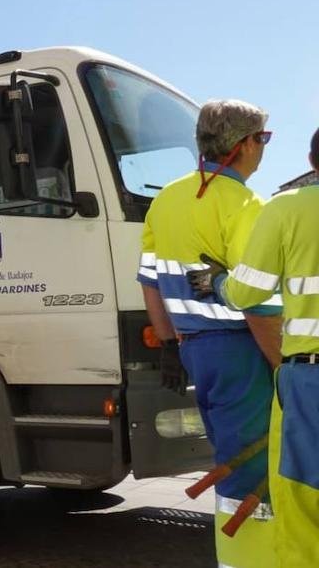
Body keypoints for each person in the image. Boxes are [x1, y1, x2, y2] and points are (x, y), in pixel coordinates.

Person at [137, 99, 277, 567]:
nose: (264, 148)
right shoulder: (245, 205)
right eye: (263, 138)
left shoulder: (166, 199)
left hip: (195, 350)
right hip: (241, 350)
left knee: (229, 457)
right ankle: (249, 557)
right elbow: (255, 301)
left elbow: (150, 281)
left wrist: (168, 345)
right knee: (252, 465)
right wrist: (283, 366)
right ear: (244, 145)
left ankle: (236, 553)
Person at [216, 127, 319, 567]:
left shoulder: (288, 208)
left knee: (303, 501)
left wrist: (219, 283)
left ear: (312, 162)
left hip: (310, 381)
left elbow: (248, 291)